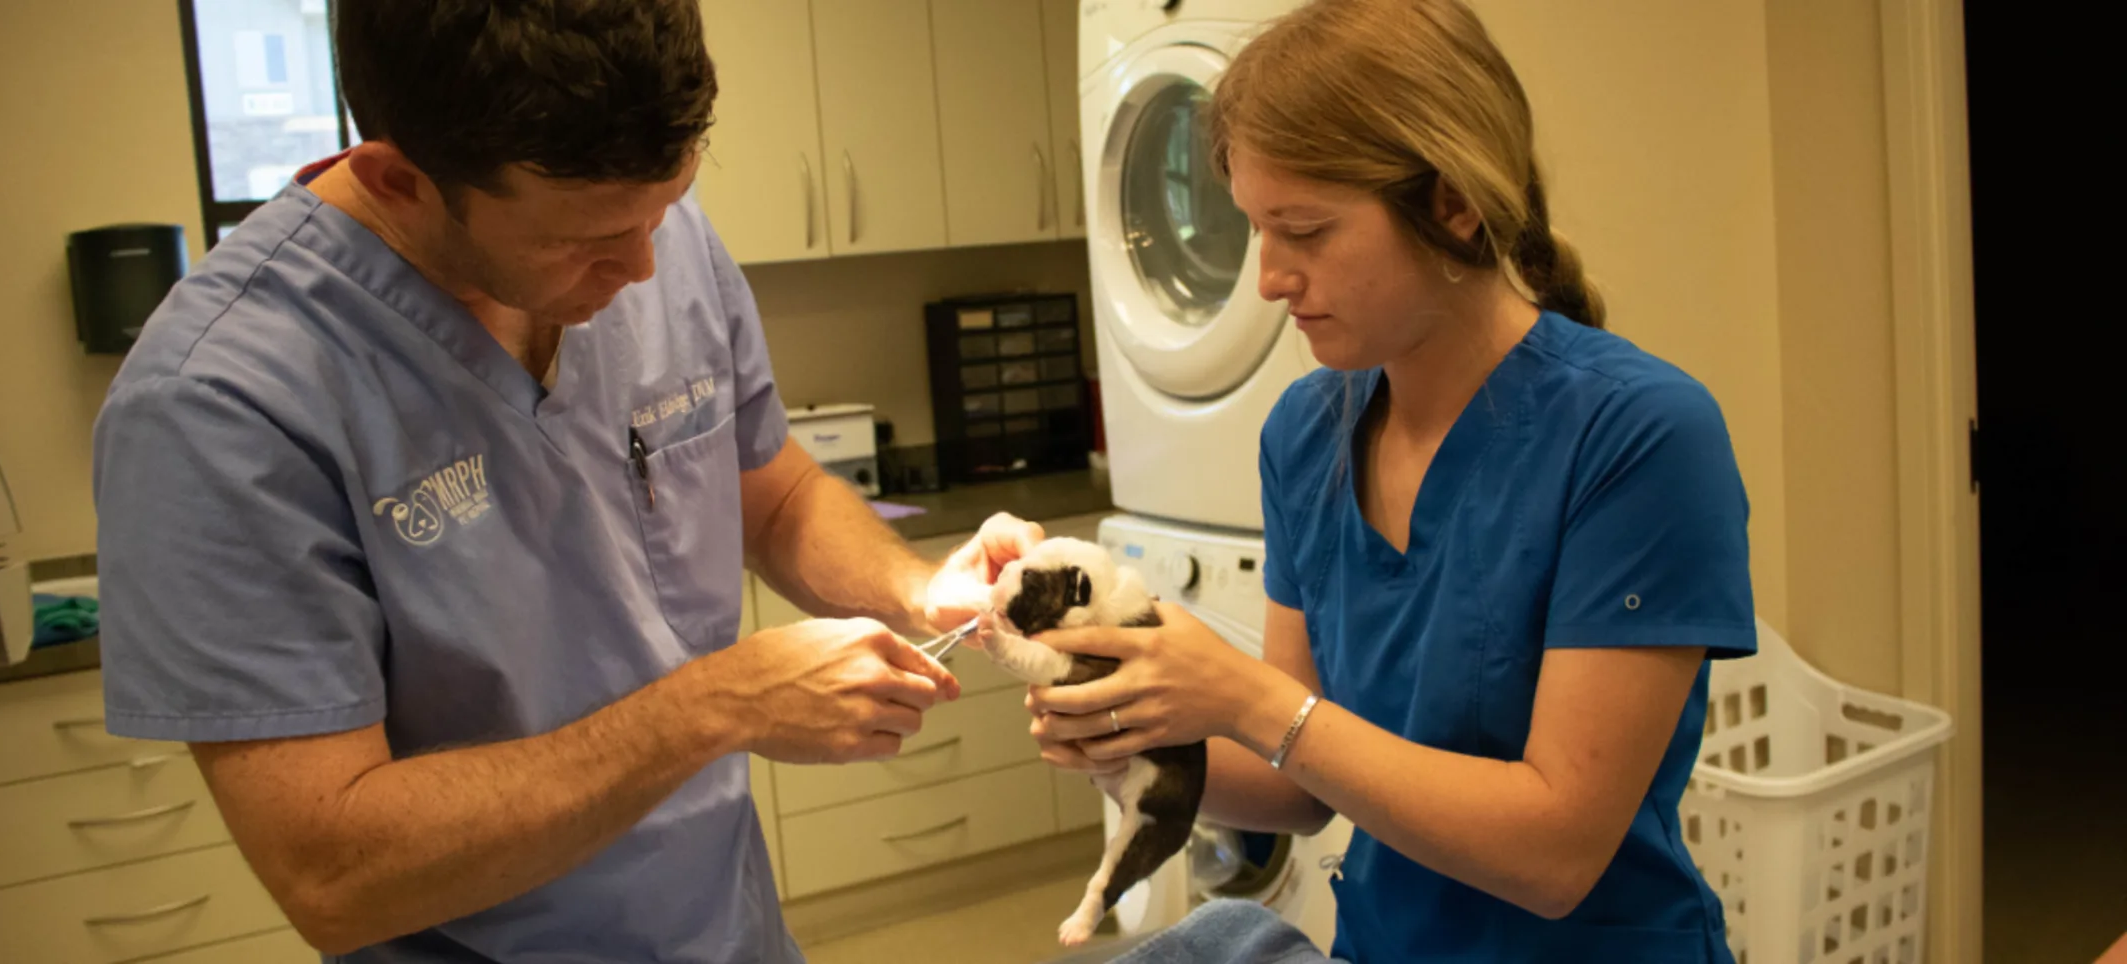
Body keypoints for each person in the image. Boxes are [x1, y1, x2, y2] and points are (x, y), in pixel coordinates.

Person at [89, 2, 1033, 961]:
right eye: (582, 241)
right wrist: (715, 706)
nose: (643, 265)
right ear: (399, 180)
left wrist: (919, 588)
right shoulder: (218, 404)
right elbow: (334, 874)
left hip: (730, 930)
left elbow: (772, 493)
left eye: (665, 207)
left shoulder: (634, 219)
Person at [1027, 1, 1756, 961]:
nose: (1270, 279)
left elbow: (1556, 852)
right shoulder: (1307, 434)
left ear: (1452, 202)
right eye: (1256, 230)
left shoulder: (1639, 436)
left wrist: (1243, 698)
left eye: (1306, 230)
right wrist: (1128, 732)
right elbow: (1299, 787)